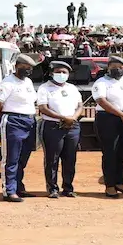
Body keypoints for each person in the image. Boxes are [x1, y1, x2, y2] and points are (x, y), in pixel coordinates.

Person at [0, 54, 38, 202]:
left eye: (30, 68)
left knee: (23, 157)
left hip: (29, 121)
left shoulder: (28, 82)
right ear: (17, 66)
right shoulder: (7, 83)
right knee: (11, 157)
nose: (28, 71)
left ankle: (18, 186)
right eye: (25, 68)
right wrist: (9, 113)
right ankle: (9, 190)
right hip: (12, 121)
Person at [92, 56, 123, 198]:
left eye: (120, 67)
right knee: (109, 152)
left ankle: (120, 182)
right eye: (113, 67)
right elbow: (101, 100)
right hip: (108, 118)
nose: (117, 69)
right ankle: (110, 185)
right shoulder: (101, 82)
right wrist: (120, 114)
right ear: (108, 68)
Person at [37, 61, 83, 198]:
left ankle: (68, 187)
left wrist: (73, 118)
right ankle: (52, 188)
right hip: (53, 126)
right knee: (52, 158)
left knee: (70, 158)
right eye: (58, 72)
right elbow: (43, 108)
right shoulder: (44, 88)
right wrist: (63, 118)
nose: (61, 74)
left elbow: (80, 106)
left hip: (72, 126)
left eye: (64, 72)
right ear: (52, 73)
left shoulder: (72, 88)